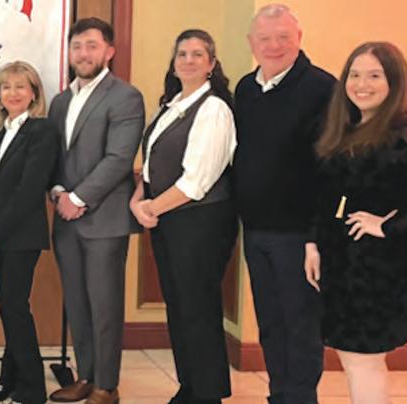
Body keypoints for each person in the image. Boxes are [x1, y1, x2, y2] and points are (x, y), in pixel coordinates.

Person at [305, 41, 407, 404]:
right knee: (354, 358)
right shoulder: (343, 127)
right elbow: (324, 192)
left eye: (374, 76)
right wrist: (313, 243)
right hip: (341, 255)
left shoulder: (403, 132)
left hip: (380, 262)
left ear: (394, 82)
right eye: (355, 75)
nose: (362, 84)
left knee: (363, 359)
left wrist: (388, 225)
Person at [232, 5, 336, 403]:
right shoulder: (246, 89)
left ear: (299, 38)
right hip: (256, 229)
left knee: (301, 325)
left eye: (283, 37)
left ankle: (299, 398)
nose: (273, 46)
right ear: (251, 43)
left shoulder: (322, 89)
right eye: (265, 38)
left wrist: (315, 236)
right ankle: (279, 395)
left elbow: (330, 169)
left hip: (299, 235)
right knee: (271, 323)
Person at [130, 29, 238, 404]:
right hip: (168, 219)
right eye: (182, 54)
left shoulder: (214, 110)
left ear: (211, 64)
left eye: (197, 54)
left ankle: (207, 394)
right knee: (179, 306)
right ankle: (189, 386)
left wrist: (150, 208)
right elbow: (151, 166)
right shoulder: (172, 104)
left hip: (200, 223)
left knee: (198, 308)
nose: (188, 60)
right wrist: (138, 200)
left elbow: (197, 182)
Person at [46, 17, 145, 404]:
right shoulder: (60, 101)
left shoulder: (125, 96)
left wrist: (79, 199)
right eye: (77, 46)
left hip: (104, 220)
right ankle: (85, 376)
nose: (83, 53)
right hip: (65, 219)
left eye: (91, 45)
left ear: (109, 51)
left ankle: (107, 385)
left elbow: (119, 158)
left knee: (104, 305)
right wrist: (59, 193)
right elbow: (54, 158)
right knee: (77, 302)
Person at [0, 61, 58, 404]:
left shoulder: (42, 130)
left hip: (21, 235)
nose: (13, 93)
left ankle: (32, 388)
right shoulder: (0, 130)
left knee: (14, 308)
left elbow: (30, 189)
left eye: (20, 86)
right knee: (9, 308)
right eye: (6, 87)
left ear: (34, 93)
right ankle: (8, 381)